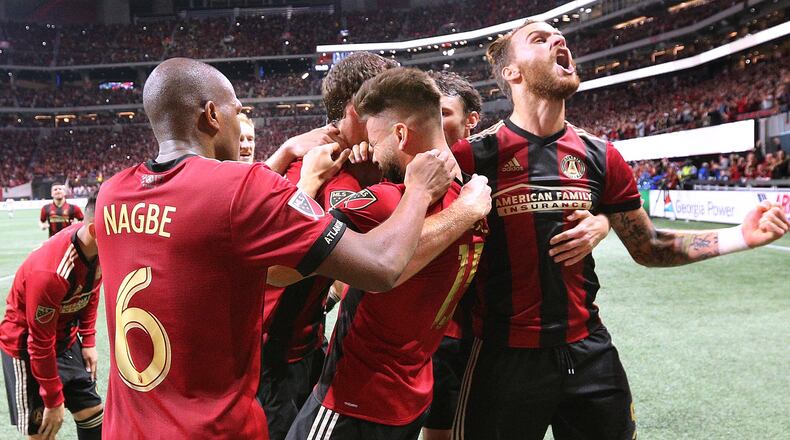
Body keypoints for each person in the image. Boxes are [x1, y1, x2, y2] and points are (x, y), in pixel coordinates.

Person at [451, 20, 790, 440]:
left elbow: (649, 246)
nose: (558, 39)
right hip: (502, 358)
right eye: (539, 39)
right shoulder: (472, 158)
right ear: (512, 72)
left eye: (560, 36)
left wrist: (741, 236)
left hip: (589, 351)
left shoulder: (601, 156)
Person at [95, 57, 455, 439]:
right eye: (239, 111)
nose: (242, 125)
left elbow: (210, 217)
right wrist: (420, 191)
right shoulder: (243, 186)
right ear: (213, 115)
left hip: (126, 427)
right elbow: (381, 266)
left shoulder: (112, 192)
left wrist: (283, 154)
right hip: (213, 426)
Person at [287, 67, 491, 440]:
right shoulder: (473, 202)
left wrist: (309, 179)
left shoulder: (386, 203)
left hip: (352, 399)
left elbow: (283, 260)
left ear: (400, 133)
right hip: (411, 395)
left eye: (376, 140)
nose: (374, 153)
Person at [0, 194, 103, 440]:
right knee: (44, 431)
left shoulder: (98, 249)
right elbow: (39, 343)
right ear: (94, 231)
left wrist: (88, 341)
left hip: (64, 336)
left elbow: (91, 291)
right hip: (26, 345)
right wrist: (53, 399)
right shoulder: (50, 273)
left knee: (93, 414)